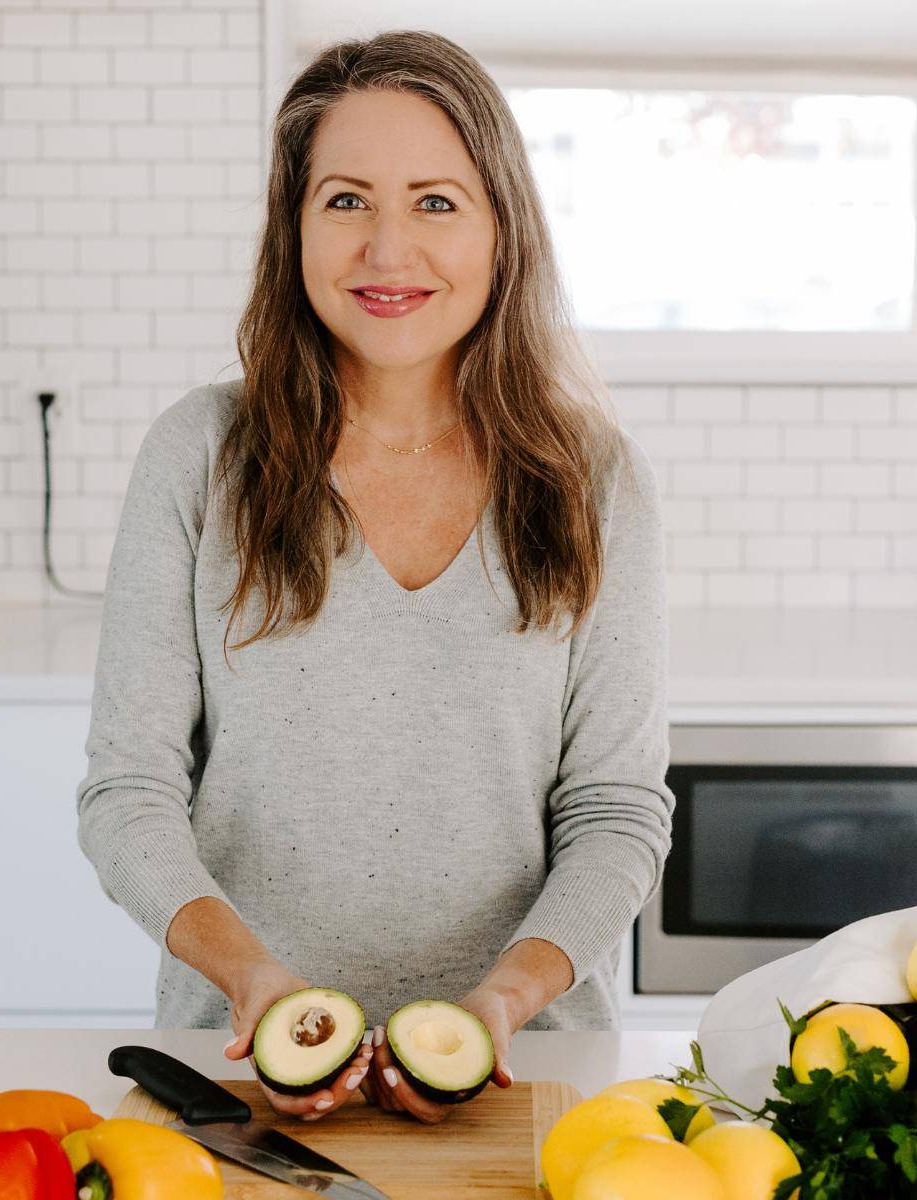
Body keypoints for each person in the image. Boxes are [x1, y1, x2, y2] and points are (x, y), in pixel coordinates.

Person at [76, 29, 675, 1127]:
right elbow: (129, 794)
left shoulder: (594, 479)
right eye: (346, 200)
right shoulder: (201, 456)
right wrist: (253, 983)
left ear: (503, 230)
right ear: (293, 229)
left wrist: (502, 1003)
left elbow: (617, 811)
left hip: (529, 1083)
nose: (388, 250)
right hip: (236, 1071)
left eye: (437, 202)